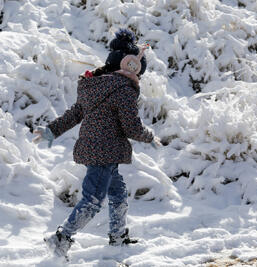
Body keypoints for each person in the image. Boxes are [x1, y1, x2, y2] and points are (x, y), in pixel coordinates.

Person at [33, 28, 161, 258]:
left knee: (118, 194)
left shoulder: (95, 85)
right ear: (132, 66)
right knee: (92, 200)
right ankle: (61, 238)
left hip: (96, 150)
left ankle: (118, 237)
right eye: (140, 72)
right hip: (105, 153)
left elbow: (74, 114)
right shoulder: (124, 90)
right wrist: (149, 136)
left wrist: (52, 131)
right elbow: (131, 127)